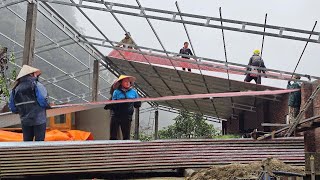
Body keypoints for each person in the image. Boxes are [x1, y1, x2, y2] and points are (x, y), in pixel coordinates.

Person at [8, 65, 51, 141]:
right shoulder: (36, 85)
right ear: (31, 74)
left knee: (27, 142)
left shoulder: (15, 89)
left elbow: (13, 108)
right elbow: (42, 100)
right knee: (39, 142)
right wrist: (48, 106)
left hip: (25, 121)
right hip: (39, 119)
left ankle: (27, 153)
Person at [109, 75, 141, 140]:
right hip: (116, 115)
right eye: (125, 81)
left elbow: (137, 104)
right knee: (113, 135)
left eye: (129, 82)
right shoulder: (116, 92)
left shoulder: (134, 92)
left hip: (127, 116)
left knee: (126, 136)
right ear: (121, 83)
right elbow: (113, 103)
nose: (127, 83)